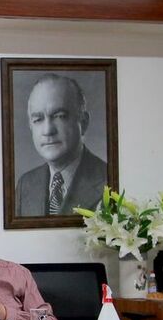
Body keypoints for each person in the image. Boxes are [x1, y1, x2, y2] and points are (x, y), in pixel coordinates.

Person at [16, 73, 108, 216]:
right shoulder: (25, 184)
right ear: (30, 126)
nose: (48, 130)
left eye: (60, 116)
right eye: (38, 119)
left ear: (83, 122)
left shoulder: (109, 181)